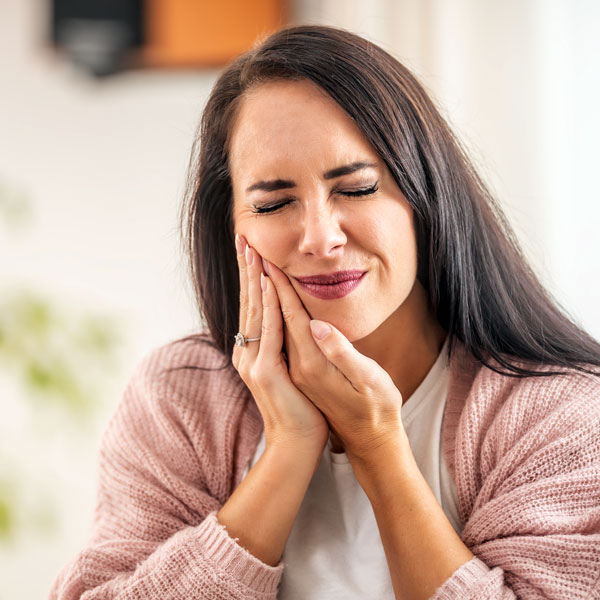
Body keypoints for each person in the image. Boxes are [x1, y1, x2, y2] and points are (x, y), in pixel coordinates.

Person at [49, 25, 600, 600]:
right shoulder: (182, 398)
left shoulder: (559, 420)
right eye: (274, 202)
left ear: (423, 198)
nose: (321, 237)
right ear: (233, 227)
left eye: (357, 189)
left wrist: (378, 447)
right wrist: (288, 446)